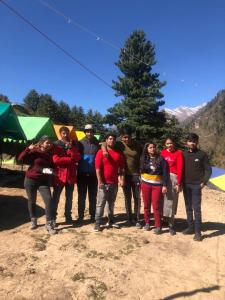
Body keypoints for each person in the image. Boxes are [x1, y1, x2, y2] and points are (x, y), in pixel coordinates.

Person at [102, 127, 142, 228]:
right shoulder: (119, 144)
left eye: (127, 137)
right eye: (124, 137)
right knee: (127, 197)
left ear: (131, 136)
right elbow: (104, 143)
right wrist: (104, 151)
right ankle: (129, 218)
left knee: (137, 198)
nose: (126, 139)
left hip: (136, 175)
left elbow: (143, 157)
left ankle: (137, 219)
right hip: (124, 175)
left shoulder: (137, 145)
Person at [18, 136, 56, 234]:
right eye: (47, 142)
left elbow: (50, 167)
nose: (49, 144)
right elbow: (20, 159)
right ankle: (33, 220)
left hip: (43, 181)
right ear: (42, 143)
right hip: (30, 180)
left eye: (50, 143)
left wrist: (52, 171)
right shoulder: (35, 151)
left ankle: (49, 224)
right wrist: (27, 149)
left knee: (49, 200)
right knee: (32, 200)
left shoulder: (49, 154)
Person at [182, 133, 212, 241]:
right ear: (187, 142)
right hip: (185, 185)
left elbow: (208, 170)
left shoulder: (202, 154)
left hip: (196, 186)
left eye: (194, 141)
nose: (192, 143)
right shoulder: (184, 154)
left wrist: (203, 182)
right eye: (190, 141)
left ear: (197, 142)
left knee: (196, 209)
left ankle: (198, 232)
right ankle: (190, 227)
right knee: (188, 207)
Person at [94, 133, 125, 232]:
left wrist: (121, 179)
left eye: (113, 139)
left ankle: (111, 220)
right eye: (110, 139)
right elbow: (97, 168)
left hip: (114, 183)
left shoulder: (118, 154)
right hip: (103, 183)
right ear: (106, 140)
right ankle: (97, 223)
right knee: (100, 204)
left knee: (111, 203)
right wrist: (100, 181)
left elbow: (121, 168)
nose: (112, 140)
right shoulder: (100, 152)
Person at [52, 126, 81, 225]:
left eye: (67, 133)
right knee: (56, 198)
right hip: (59, 175)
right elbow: (56, 160)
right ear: (60, 134)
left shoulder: (74, 144)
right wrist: (70, 160)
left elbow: (77, 158)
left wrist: (71, 149)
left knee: (69, 198)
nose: (65, 135)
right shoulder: (56, 144)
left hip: (71, 175)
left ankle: (68, 216)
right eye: (63, 133)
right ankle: (53, 218)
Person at [140, 142, 168, 234]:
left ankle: (158, 226)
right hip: (145, 185)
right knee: (146, 205)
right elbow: (141, 170)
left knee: (156, 206)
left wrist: (164, 185)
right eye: (150, 147)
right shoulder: (143, 158)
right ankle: (147, 223)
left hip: (157, 186)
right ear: (147, 149)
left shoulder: (161, 159)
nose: (152, 149)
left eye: (154, 147)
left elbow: (165, 173)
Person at [77, 124, 99, 223]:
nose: (89, 133)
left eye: (91, 131)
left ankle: (93, 215)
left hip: (93, 174)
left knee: (93, 196)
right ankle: (81, 216)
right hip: (81, 173)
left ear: (93, 132)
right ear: (85, 132)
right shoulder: (80, 143)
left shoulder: (97, 143)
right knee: (81, 196)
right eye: (87, 131)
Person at [161, 138, 184, 235]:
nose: (169, 145)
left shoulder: (178, 153)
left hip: (174, 178)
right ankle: (164, 220)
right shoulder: (162, 153)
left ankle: (171, 223)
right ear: (165, 144)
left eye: (170, 143)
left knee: (172, 201)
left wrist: (179, 183)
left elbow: (180, 168)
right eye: (167, 144)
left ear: (173, 144)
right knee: (163, 200)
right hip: (163, 178)